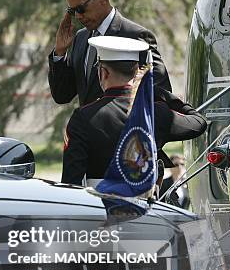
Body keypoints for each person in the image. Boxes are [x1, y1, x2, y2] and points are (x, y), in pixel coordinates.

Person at [61, 36, 206, 186]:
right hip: (145, 205)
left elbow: (71, 182)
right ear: (137, 72)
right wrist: (162, 94)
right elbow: (199, 123)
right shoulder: (155, 112)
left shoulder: (83, 117)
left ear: (103, 73)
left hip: (98, 204)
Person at [48, 0, 172, 107]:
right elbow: (62, 95)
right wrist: (59, 53)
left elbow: (161, 95)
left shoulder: (136, 36)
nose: (77, 16)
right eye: (72, 11)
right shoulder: (81, 38)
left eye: (81, 9)